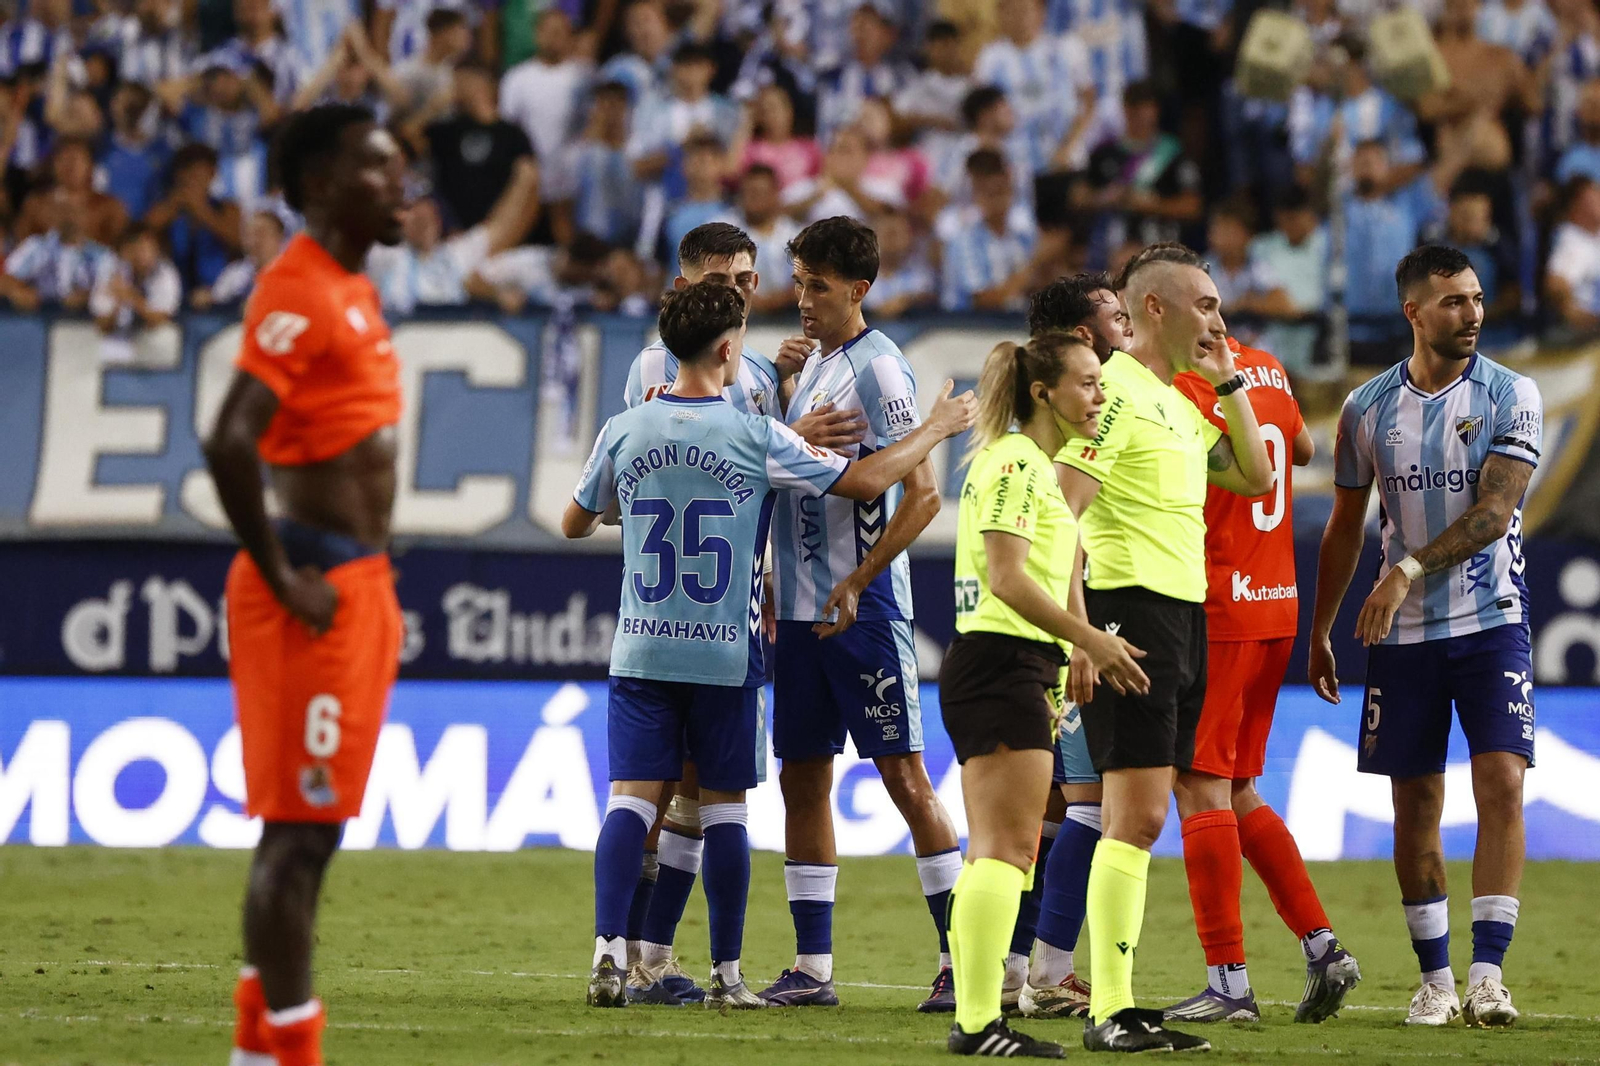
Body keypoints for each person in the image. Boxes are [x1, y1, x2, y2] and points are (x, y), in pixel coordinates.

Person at [564, 280, 978, 1009]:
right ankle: (729, 976)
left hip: (641, 647)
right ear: (728, 351)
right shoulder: (755, 437)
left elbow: (574, 521)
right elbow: (869, 480)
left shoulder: (624, 429)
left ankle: (611, 950)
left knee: (632, 805)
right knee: (727, 810)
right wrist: (939, 427)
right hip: (727, 648)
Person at [618, 222, 868, 1007]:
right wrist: (792, 434)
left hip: (737, 609)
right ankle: (639, 954)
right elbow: (689, 459)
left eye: (749, 275)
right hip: (675, 609)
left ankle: (648, 956)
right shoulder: (654, 368)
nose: (739, 287)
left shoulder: (759, 370)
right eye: (722, 275)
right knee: (663, 796)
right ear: (686, 281)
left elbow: (753, 482)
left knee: (697, 795)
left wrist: (785, 401)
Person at [204, 103, 407, 1066]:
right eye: (378, 167)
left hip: (357, 583)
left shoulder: (351, 287)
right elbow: (229, 436)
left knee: (313, 838)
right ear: (323, 183)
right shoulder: (301, 290)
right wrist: (284, 578)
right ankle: (288, 1053)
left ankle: (259, 1051)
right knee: (295, 839)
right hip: (312, 586)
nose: (399, 180)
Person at [1309, 245, 1542, 1029]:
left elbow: (1493, 513)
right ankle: (1435, 980)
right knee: (1415, 806)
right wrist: (1321, 630)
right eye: (1452, 302)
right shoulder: (1367, 408)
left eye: (1476, 299)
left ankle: (1487, 977)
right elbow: (1344, 528)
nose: (1471, 314)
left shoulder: (1513, 394)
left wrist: (1404, 569)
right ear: (1414, 311)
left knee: (1503, 784)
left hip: (1491, 622)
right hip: (1403, 639)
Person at [1054, 242, 1272, 1053]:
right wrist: (1079, 635)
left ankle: (1114, 1002)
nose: (1217, 318)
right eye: (1205, 304)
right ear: (1155, 310)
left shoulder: (1180, 403)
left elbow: (1253, 476)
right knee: (1138, 818)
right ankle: (1111, 1008)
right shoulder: (1112, 399)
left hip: (1183, 619)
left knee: (1137, 818)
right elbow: (1062, 514)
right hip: (1130, 617)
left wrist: (1227, 384)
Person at [759, 216, 965, 1013]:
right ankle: (813, 968)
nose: (803, 299)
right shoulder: (814, 363)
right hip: (805, 614)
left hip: (865, 610)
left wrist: (860, 578)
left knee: (904, 776)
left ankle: (959, 959)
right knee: (801, 779)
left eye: (817, 285)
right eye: (800, 282)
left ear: (860, 288)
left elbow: (921, 493)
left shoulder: (881, 371)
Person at [940, 330, 1149, 1058]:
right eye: (1087, 383)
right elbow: (1006, 579)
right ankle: (976, 1024)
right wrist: (1089, 640)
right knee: (1003, 853)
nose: (1100, 395)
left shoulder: (1031, 462)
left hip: (1015, 667)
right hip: (999, 665)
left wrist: (1069, 654)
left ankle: (975, 1018)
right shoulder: (1015, 461)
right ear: (1043, 393)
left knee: (995, 854)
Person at [1159, 334, 1361, 1025]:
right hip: (1275, 597)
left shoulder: (1185, 382)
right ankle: (1323, 945)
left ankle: (1229, 983)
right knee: (1239, 788)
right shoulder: (1269, 364)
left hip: (1219, 603)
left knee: (1198, 785)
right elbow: (1299, 451)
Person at [1006, 273, 1130, 1023]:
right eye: (1117, 316)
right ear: (1084, 338)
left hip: (1049, 635)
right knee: (1085, 806)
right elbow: (1064, 533)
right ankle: (1048, 970)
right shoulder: (1069, 435)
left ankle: (1013, 966)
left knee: (1046, 815)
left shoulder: (1033, 429)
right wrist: (1081, 639)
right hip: (1069, 632)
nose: (1129, 328)